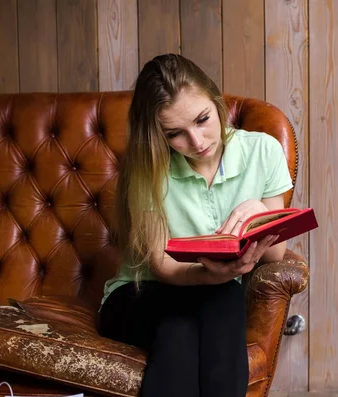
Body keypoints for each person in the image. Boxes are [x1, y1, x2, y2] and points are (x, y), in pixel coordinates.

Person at [98, 53, 293, 397]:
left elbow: (276, 254)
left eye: (203, 120)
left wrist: (258, 210)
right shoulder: (149, 167)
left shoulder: (263, 151)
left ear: (216, 101)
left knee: (181, 333)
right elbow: (161, 266)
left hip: (206, 301)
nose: (197, 141)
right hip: (140, 295)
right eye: (176, 134)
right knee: (223, 295)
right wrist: (211, 276)